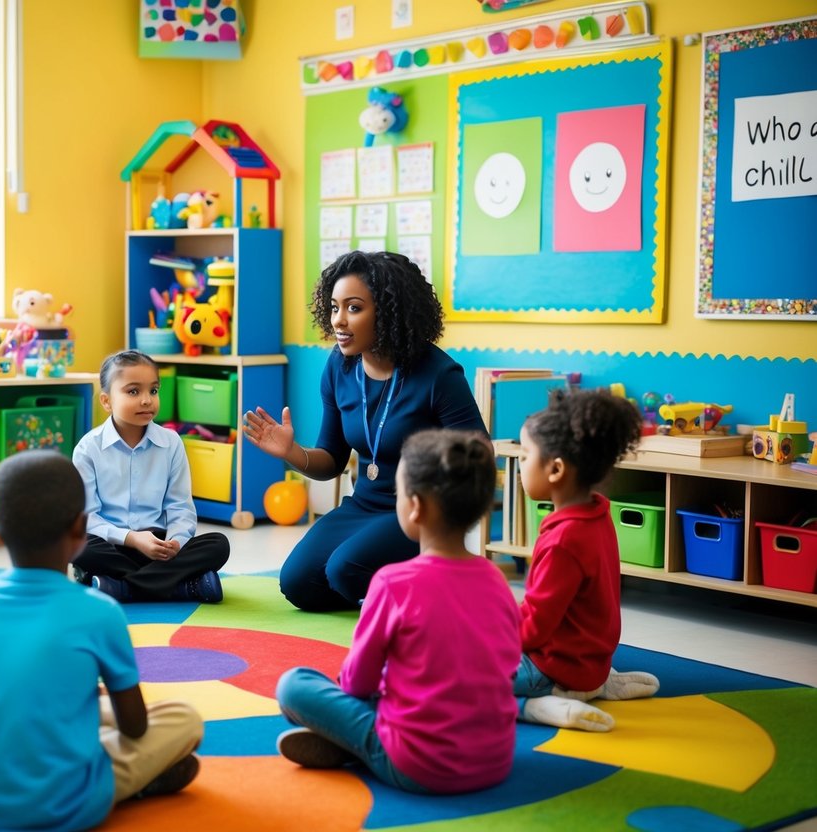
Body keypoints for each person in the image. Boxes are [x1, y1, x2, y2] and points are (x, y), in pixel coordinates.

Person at [0, 451, 204, 830]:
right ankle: (135, 778)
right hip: (71, 803)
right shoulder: (100, 611)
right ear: (80, 530)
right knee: (184, 719)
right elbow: (136, 728)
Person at [274, 430, 521, 794]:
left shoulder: (391, 583)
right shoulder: (498, 581)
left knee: (294, 685)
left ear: (415, 506)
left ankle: (357, 746)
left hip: (417, 764)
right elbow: (507, 665)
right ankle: (353, 741)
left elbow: (357, 682)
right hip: (495, 759)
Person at [243, 250, 486, 611]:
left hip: (421, 511)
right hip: (363, 506)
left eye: (354, 308)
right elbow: (331, 460)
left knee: (345, 570)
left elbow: (479, 454)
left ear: (388, 312)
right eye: (335, 307)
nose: (339, 321)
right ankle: (392, 592)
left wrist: (439, 509)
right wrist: (291, 453)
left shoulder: (438, 374)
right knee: (297, 583)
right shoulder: (339, 368)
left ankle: (435, 586)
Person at [515, 389, 660, 732]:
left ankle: (537, 707)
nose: (520, 465)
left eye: (524, 456)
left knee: (453, 676)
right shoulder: (596, 514)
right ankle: (599, 685)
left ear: (555, 469)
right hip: (590, 662)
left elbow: (534, 628)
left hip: (553, 670)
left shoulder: (563, 541)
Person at [71, 350, 229, 603]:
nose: (147, 400)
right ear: (106, 401)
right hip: (112, 544)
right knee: (76, 543)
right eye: (133, 391)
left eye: (153, 391)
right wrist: (131, 538)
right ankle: (181, 587)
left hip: (159, 547)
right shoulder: (88, 448)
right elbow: (86, 518)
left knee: (218, 544)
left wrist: (175, 543)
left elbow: (180, 508)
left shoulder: (171, 442)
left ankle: (121, 588)